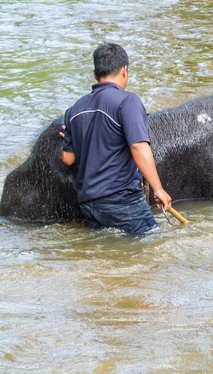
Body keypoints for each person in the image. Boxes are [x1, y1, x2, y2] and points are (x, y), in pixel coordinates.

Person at [60, 43, 172, 234]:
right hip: (122, 200)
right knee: (153, 245)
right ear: (124, 70)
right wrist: (158, 189)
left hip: (89, 205)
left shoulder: (74, 110)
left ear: (96, 74)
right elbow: (138, 147)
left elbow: (68, 159)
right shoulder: (127, 102)